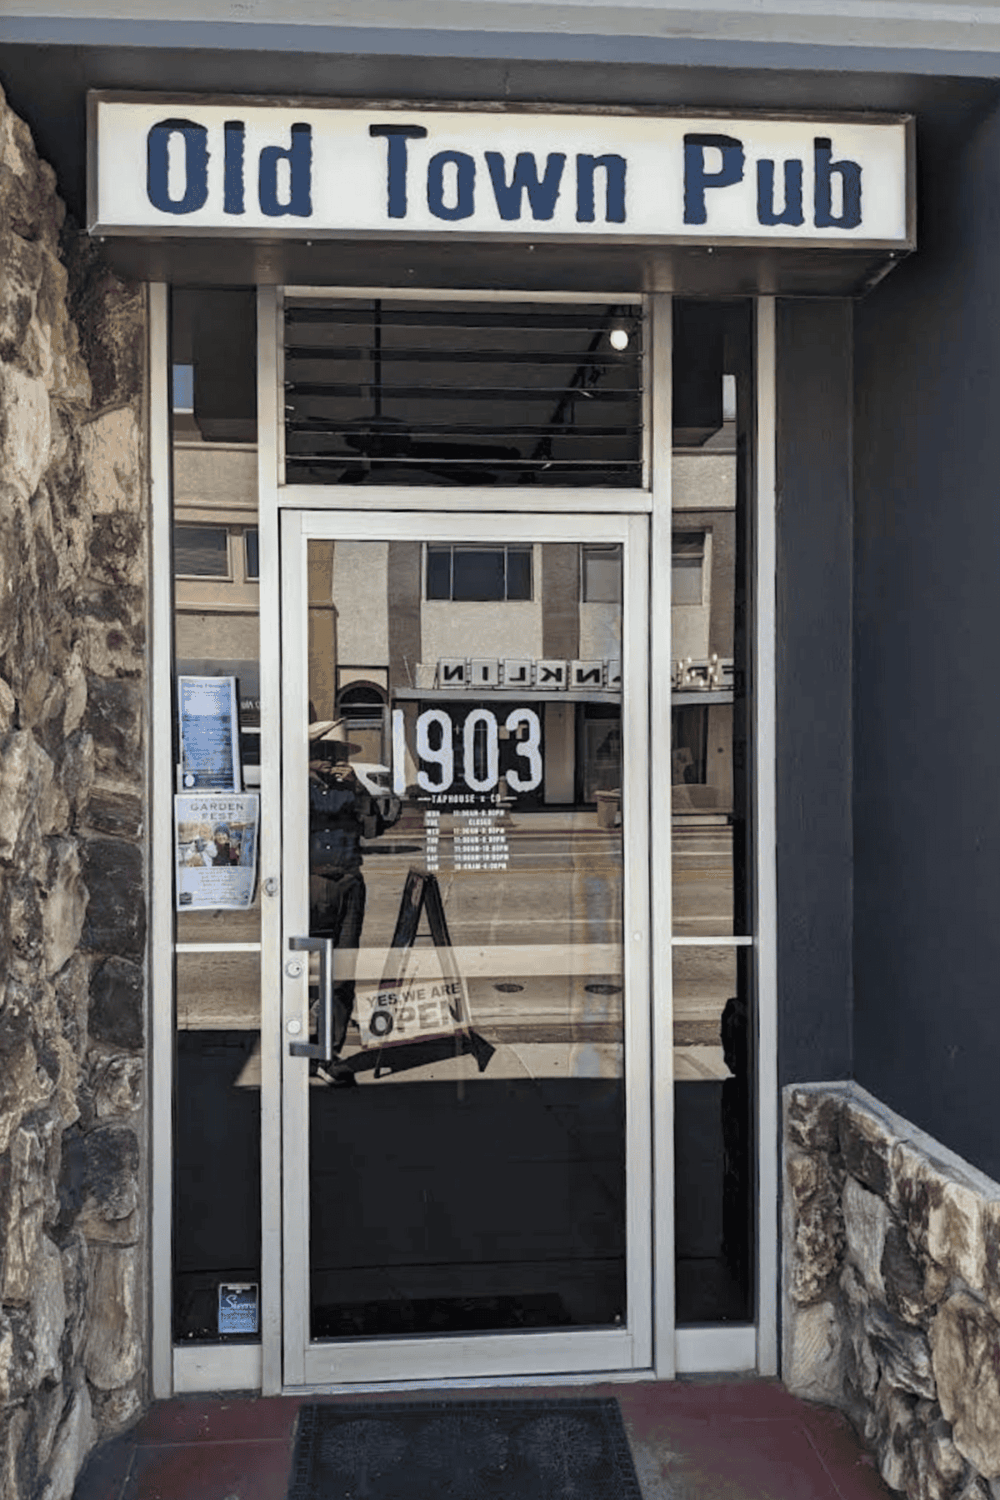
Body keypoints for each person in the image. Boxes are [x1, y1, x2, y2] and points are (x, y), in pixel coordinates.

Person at [308, 718, 400, 1085]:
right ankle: (303, 1043)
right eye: (324, 753)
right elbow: (315, 807)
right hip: (311, 882)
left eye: (338, 754)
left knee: (342, 970)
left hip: (348, 879)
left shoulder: (349, 788)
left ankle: (329, 1052)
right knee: (302, 970)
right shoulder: (297, 785)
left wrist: (360, 789)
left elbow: (377, 825)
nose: (332, 761)